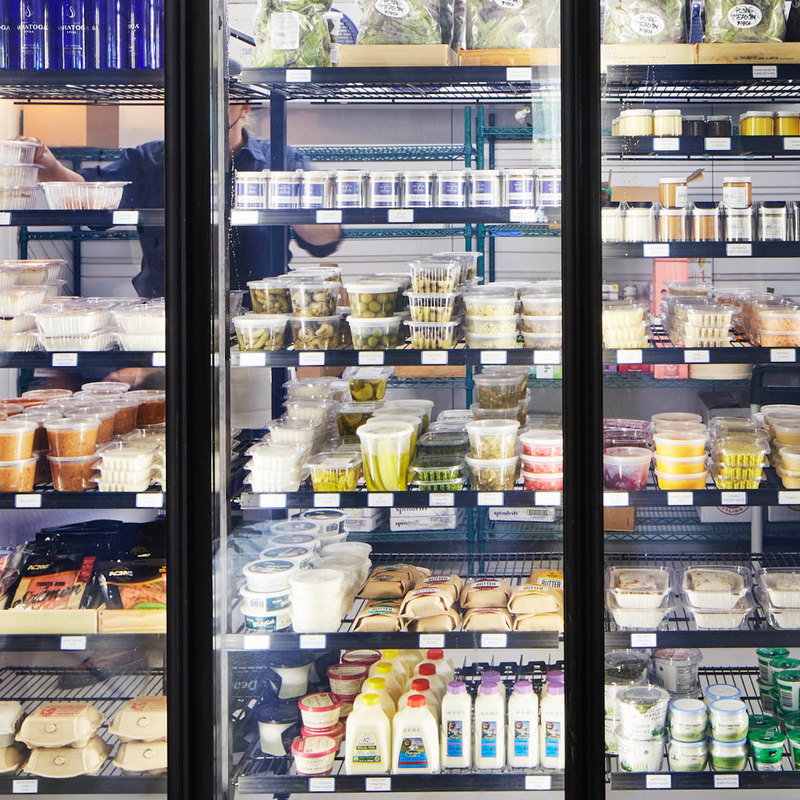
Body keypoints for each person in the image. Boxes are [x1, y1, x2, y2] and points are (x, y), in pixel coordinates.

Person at [25, 104, 342, 297]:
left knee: (256, 409)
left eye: (219, 95)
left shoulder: (281, 159)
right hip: (166, 320)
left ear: (244, 107)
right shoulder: (149, 159)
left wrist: (280, 195)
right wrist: (52, 168)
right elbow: (91, 200)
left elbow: (326, 239)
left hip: (258, 322)